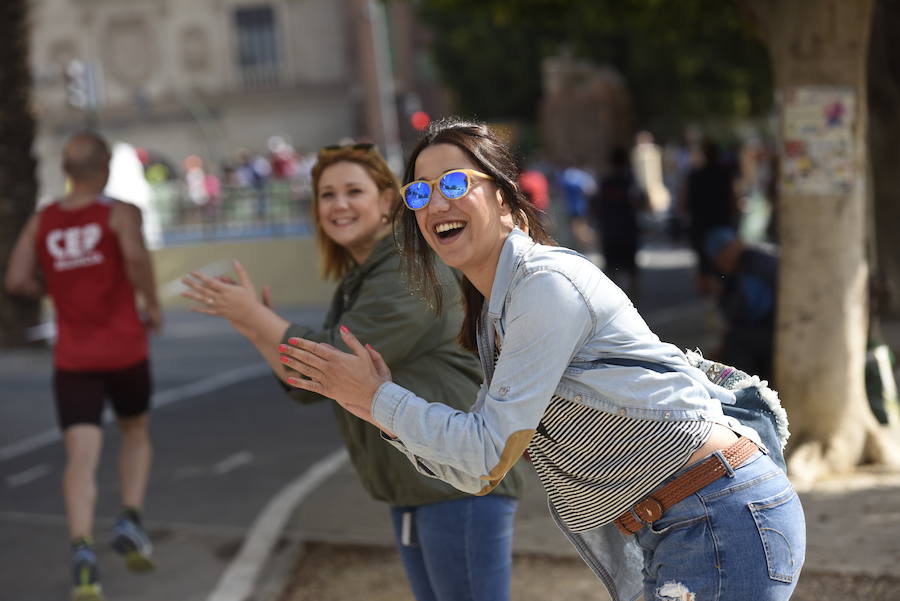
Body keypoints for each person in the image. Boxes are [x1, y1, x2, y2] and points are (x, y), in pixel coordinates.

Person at [280, 119, 806, 601]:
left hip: (717, 516)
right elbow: (479, 470)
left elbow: (485, 454)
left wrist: (376, 398)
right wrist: (375, 406)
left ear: (506, 200)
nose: (436, 203)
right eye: (419, 191)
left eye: (456, 184)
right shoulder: (497, 313)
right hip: (679, 523)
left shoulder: (545, 287)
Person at [180, 143, 524, 601]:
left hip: (455, 487)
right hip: (420, 486)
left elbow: (335, 362)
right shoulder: (365, 275)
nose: (338, 204)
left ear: (387, 201)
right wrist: (251, 322)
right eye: (326, 195)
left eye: (352, 191)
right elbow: (306, 385)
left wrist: (257, 319)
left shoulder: (407, 268)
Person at [5, 131, 161, 601]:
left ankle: (82, 551)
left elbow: (15, 279)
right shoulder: (119, 214)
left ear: (67, 173)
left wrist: (53, 289)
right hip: (125, 350)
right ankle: (130, 518)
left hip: (73, 357)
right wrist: (151, 304)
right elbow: (134, 255)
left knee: (80, 456)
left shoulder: (42, 221)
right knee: (134, 431)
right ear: (106, 168)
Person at [704, 226, 778, 384]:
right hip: (762, 329)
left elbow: (749, 310)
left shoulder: (755, 266)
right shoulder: (740, 268)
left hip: (769, 330)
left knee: (735, 345)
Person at [680, 141, 739, 296]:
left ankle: (709, 301)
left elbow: (683, 204)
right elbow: (734, 200)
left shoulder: (694, 176)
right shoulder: (726, 175)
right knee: (724, 267)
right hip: (722, 225)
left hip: (701, 228)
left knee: (704, 267)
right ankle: (719, 301)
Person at [589, 146, 644, 302]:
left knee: (612, 268)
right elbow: (640, 201)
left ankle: (615, 300)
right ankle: (633, 300)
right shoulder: (630, 181)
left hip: (609, 230)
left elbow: (594, 204)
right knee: (631, 267)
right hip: (627, 230)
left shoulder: (604, 182)